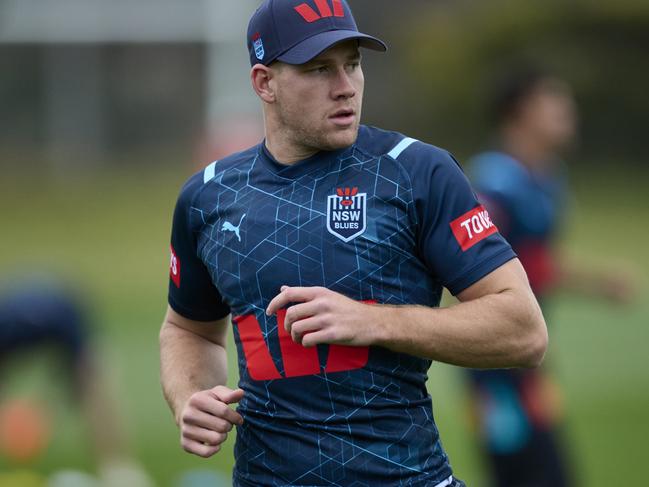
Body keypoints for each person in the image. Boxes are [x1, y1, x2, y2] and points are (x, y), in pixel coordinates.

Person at [159, 1, 548, 486]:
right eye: (319, 68)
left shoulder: (418, 172)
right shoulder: (208, 196)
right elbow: (188, 330)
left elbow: (524, 331)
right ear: (265, 83)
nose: (345, 86)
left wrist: (373, 320)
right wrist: (192, 398)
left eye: (353, 64)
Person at [465, 68, 631, 487]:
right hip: (496, 367)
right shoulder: (494, 184)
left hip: (530, 357)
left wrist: (596, 284)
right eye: (555, 102)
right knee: (528, 472)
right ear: (520, 112)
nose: (567, 112)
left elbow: (535, 264)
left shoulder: (547, 177)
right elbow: (472, 272)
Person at [0, 278, 152, 486]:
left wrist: (46, 407)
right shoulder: (8, 324)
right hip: (32, 316)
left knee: (95, 389)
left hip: (64, 314)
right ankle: (119, 467)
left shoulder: (67, 319)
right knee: (93, 384)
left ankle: (117, 466)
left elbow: (81, 376)